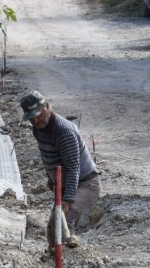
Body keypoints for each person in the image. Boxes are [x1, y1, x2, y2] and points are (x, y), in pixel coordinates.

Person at [20, 90, 101, 250]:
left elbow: (73, 167)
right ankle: (54, 259)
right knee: (53, 228)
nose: (35, 121)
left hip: (86, 183)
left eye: (38, 115)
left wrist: (67, 200)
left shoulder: (63, 131)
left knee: (62, 222)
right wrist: (51, 178)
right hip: (66, 184)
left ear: (47, 106)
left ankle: (70, 259)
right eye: (31, 118)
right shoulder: (38, 129)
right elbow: (48, 155)